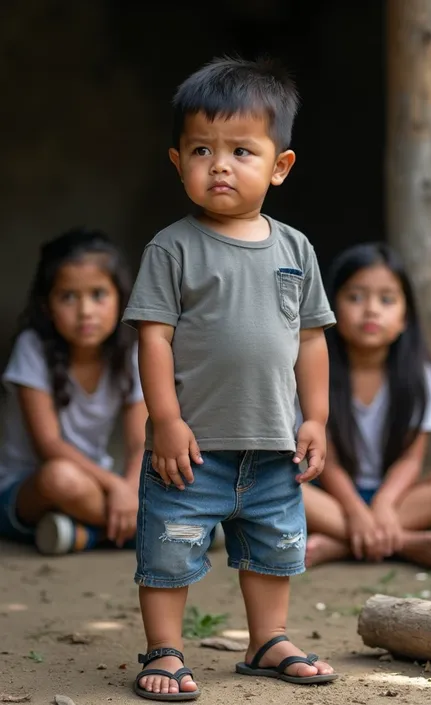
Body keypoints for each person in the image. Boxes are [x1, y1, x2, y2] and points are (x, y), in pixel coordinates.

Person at [122, 56, 339, 701]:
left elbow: (310, 339)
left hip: (273, 440)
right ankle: (164, 650)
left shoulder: (295, 249)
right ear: (177, 161)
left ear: (280, 166)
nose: (219, 164)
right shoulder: (172, 248)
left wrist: (317, 417)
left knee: (275, 544)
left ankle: (267, 639)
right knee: (171, 545)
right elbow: (153, 338)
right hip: (191, 445)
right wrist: (165, 419)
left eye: (242, 150)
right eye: (201, 150)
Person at [303, 242, 431, 574]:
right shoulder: (317, 370)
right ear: (331, 307)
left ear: (405, 317)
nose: (370, 310)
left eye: (386, 299)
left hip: (396, 500)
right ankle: (404, 544)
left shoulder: (417, 373)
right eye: (355, 297)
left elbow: (412, 458)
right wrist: (355, 510)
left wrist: (381, 505)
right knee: (277, 484)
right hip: (332, 499)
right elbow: (327, 461)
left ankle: (340, 545)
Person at [0, 228, 147, 555]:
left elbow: (140, 442)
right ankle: (164, 536)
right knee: (60, 477)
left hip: (94, 489)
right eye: (68, 296)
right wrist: (116, 487)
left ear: (120, 297)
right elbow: (48, 446)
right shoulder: (32, 349)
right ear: (46, 304)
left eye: (98, 294)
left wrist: (131, 488)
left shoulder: (130, 353)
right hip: (27, 492)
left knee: (180, 470)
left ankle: (82, 535)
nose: (85, 311)